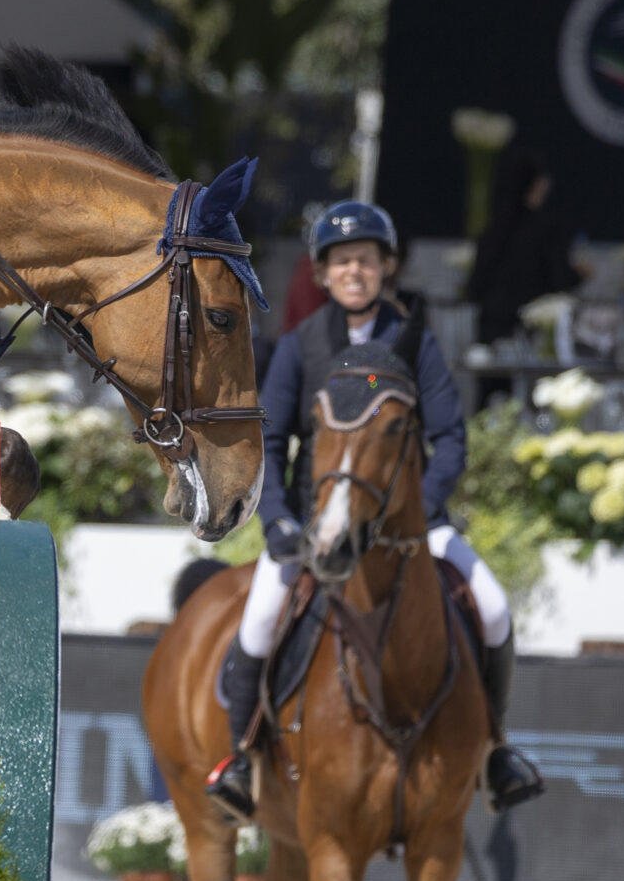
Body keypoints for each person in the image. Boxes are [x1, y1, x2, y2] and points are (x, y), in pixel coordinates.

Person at [206, 201, 543, 823]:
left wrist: (423, 510)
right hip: (319, 527)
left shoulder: (414, 341)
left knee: (492, 606)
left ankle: (496, 748)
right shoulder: (299, 346)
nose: (353, 271)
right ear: (324, 273)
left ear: (386, 267)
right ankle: (242, 760)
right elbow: (271, 443)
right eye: (340, 262)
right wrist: (278, 520)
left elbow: (451, 439)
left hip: (412, 528)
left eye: (364, 259)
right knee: (257, 622)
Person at [464, 148, 583, 346]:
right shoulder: (546, 230)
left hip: (491, 335)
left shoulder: (493, 229)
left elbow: (475, 288)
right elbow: (558, 280)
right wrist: (578, 275)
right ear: (535, 185)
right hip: (532, 336)